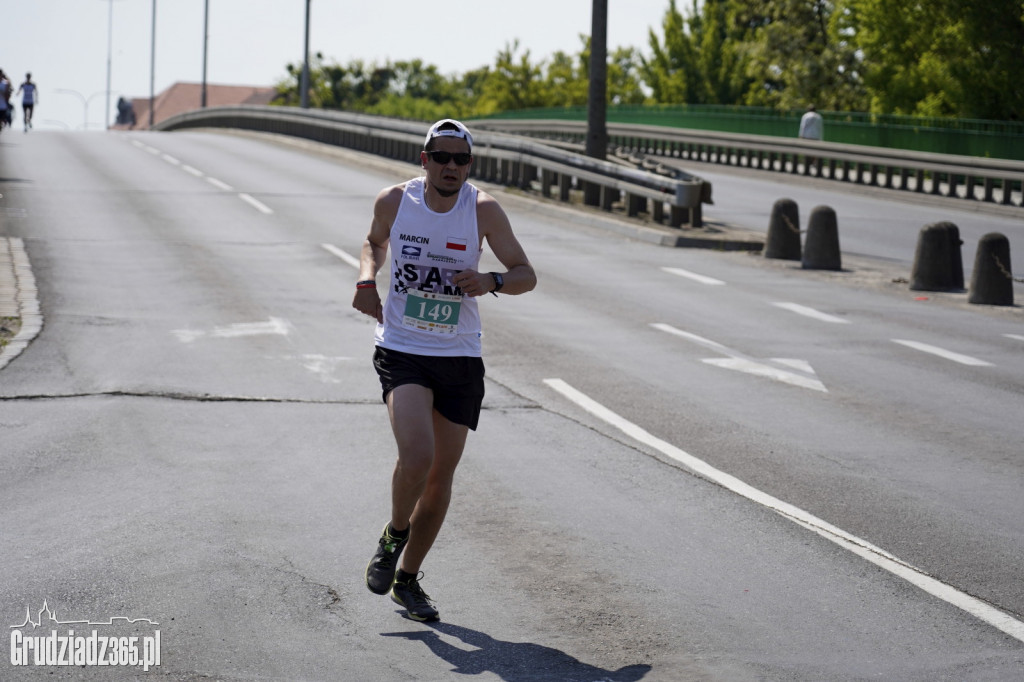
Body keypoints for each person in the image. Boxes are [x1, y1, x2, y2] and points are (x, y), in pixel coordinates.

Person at [353, 119, 537, 622]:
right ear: (424, 159)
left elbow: (526, 274)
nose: (451, 166)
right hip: (403, 346)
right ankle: (394, 535)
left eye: (461, 159)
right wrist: (367, 279)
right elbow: (374, 242)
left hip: (458, 355)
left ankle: (407, 581)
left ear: (469, 165)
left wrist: (491, 278)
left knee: (439, 478)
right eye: (442, 157)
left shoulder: (482, 210)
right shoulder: (395, 201)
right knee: (417, 455)